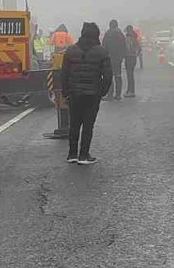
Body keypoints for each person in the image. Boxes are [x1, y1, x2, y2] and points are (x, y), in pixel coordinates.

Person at [59, 22, 111, 164]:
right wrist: (102, 92)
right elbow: (108, 75)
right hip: (92, 94)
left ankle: (72, 154)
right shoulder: (101, 52)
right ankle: (84, 155)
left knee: (74, 124)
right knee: (88, 125)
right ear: (96, 35)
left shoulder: (71, 51)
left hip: (74, 93)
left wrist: (65, 92)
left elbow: (64, 74)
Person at [102, 19, 128, 100]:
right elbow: (124, 47)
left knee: (109, 77)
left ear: (110, 25)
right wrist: (122, 57)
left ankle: (110, 95)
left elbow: (104, 46)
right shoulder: (121, 34)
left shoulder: (108, 33)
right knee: (118, 76)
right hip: (118, 59)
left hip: (109, 58)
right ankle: (118, 94)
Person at [123, 25, 140, 97]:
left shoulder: (127, 38)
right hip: (133, 58)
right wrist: (136, 54)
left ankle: (131, 91)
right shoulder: (135, 38)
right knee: (130, 75)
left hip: (128, 57)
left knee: (129, 75)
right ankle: (130, 90)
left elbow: (125, 47)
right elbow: (139, 48)